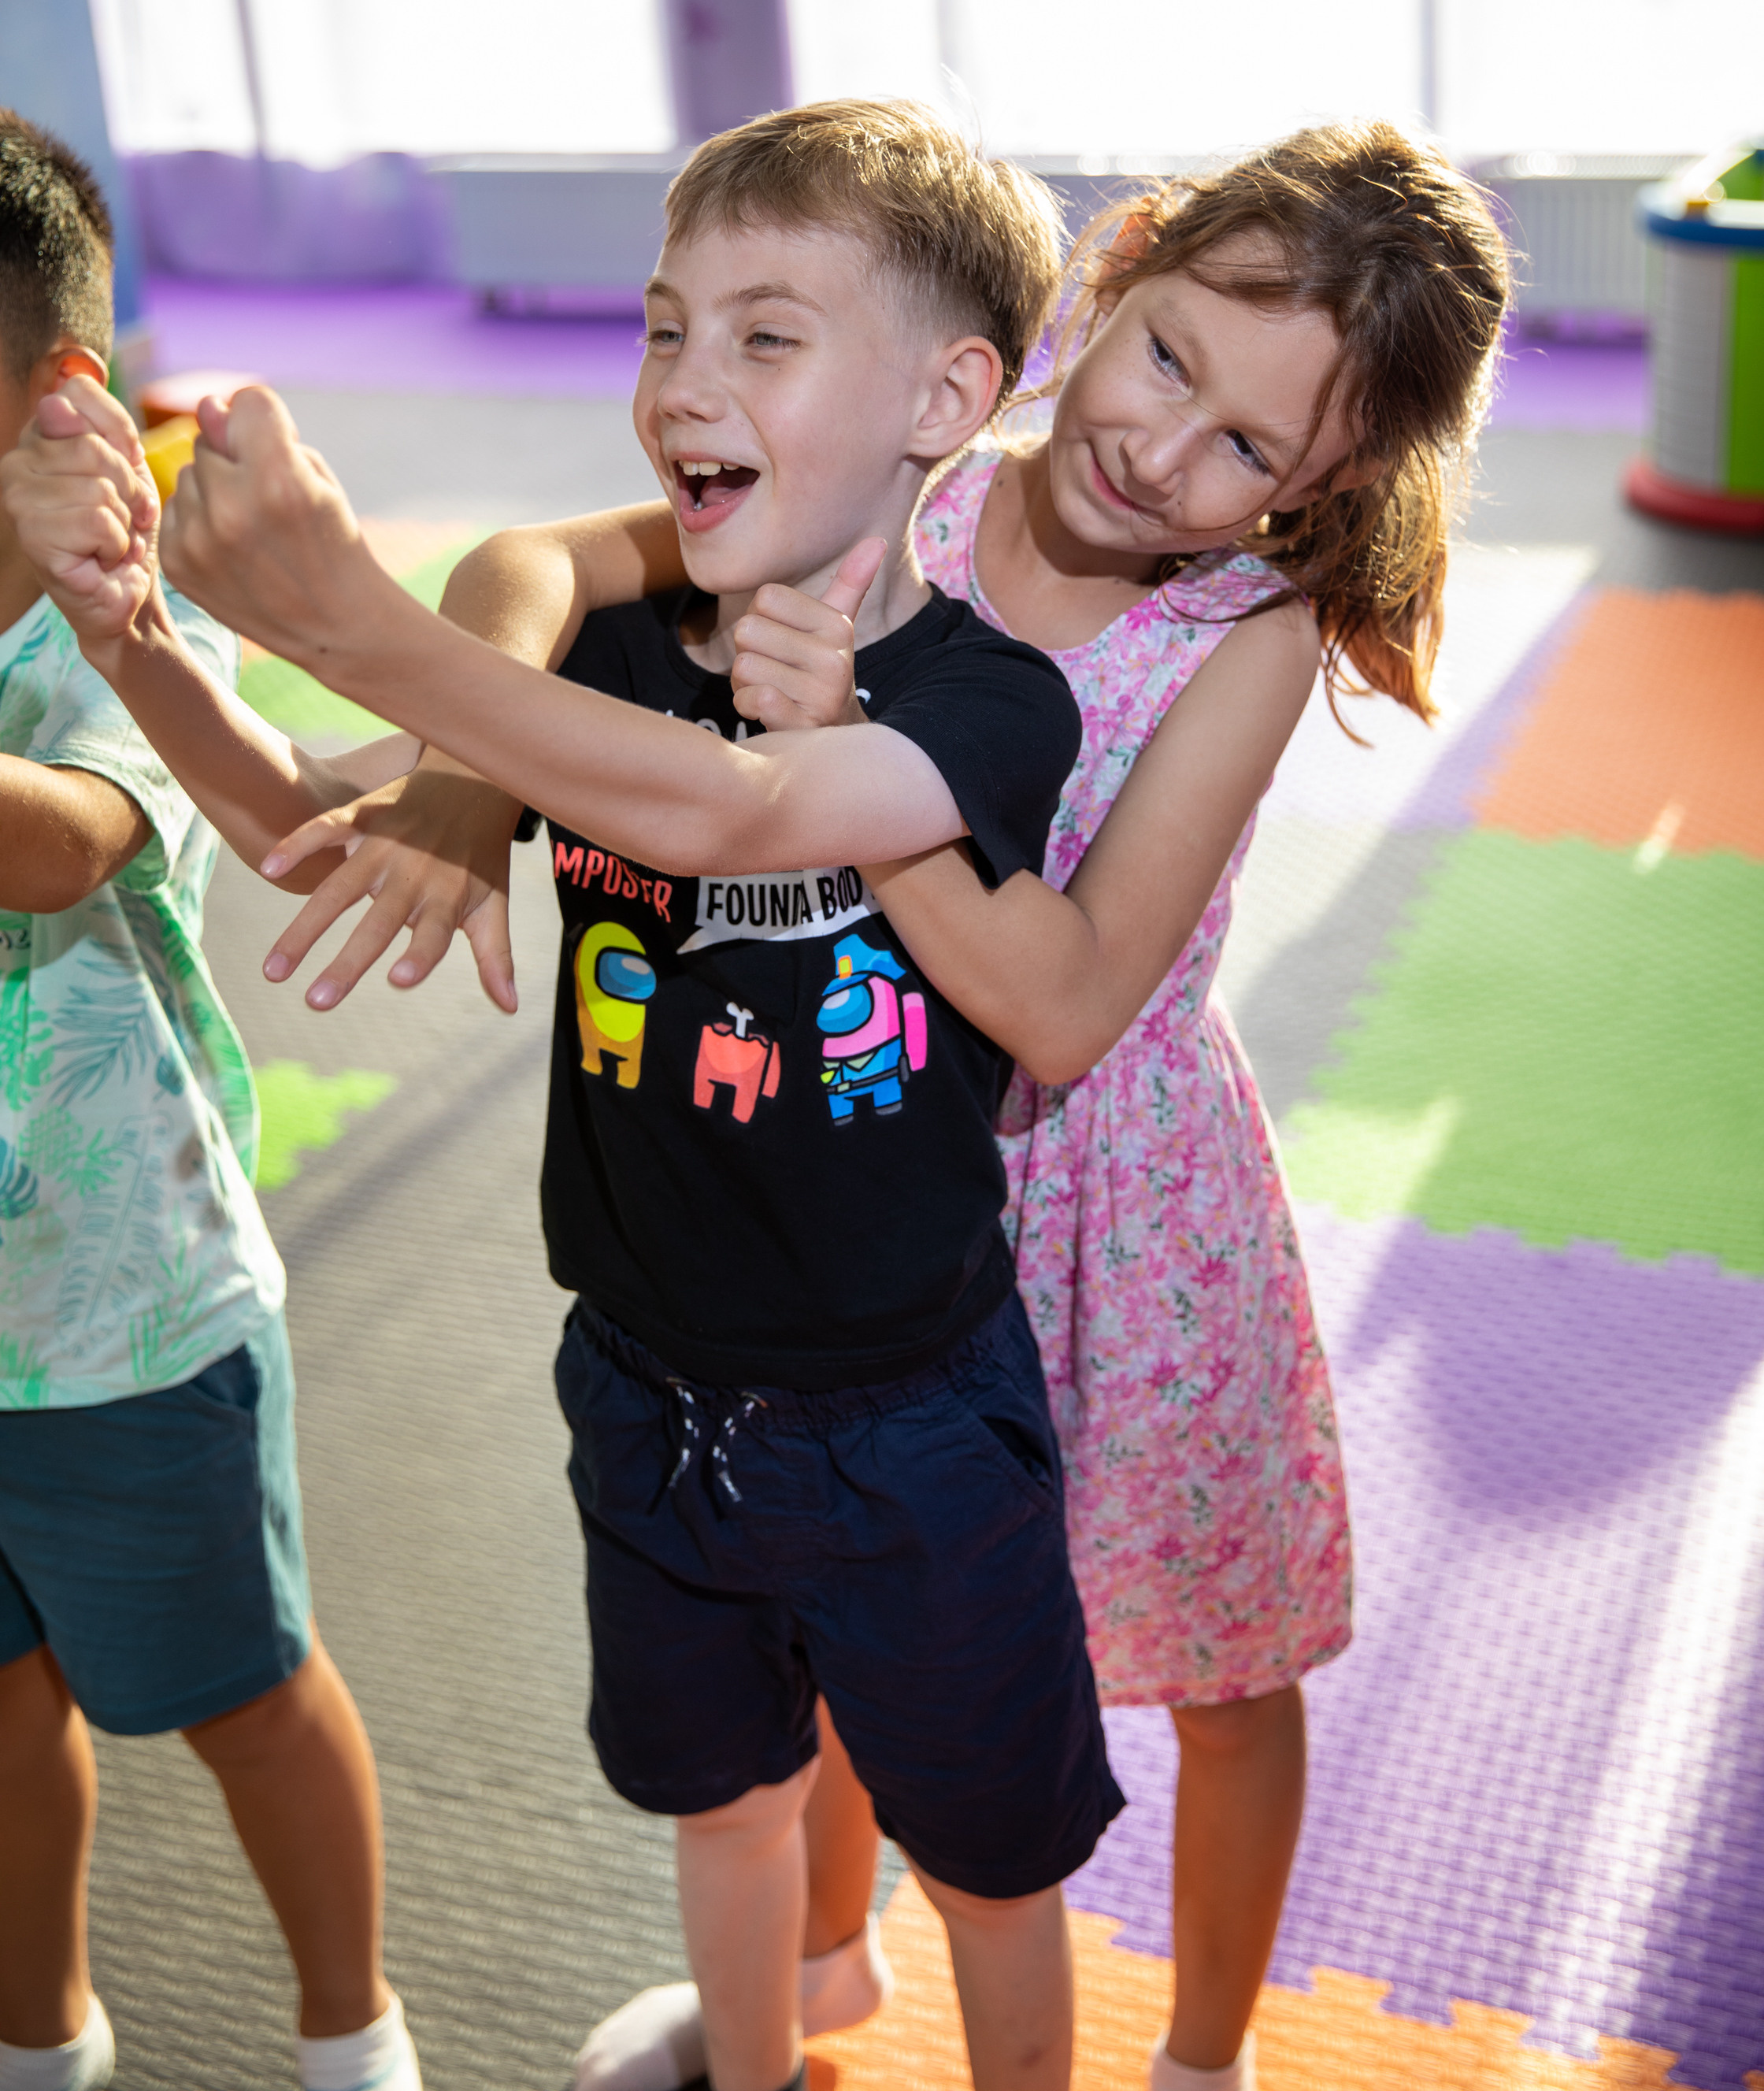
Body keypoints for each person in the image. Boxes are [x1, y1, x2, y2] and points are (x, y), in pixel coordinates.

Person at [243, 117, 1510, 2091]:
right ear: (1114, 278)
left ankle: (1200, 2057)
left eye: (1251, 450)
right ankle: (820, 1969)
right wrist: (455, 776)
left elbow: (1071, 1001)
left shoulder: (1242, 640)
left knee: (1221, 1658)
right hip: (872, 1148)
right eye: (1166, 355)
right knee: (850, 1623)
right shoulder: (913, 462)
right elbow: (540, 563)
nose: (1166, 455)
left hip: (1116, 1190)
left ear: (1320, 494)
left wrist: (852, 756)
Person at [2, 102, 1129, 2091]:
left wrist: (374, 627)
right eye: (661, 329)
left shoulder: (986, 701)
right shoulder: (599, 651)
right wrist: (135, 637)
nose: (681, 386)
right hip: (643, 1384)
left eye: (762, 338)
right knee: (719, 1804)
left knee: (991, 1862)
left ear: (951, 395)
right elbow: (284, 822)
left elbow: (758, 802)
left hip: (908, 1418)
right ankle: (756, 2065)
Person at [0, 113, 423, 2091]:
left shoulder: (102, 638)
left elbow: (61, 853)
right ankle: (44, 2039)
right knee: (5, 1715)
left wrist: (126, 600)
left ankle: (353, 2034)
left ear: (56, 399)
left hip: (128, 1321)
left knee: (243, 1699)